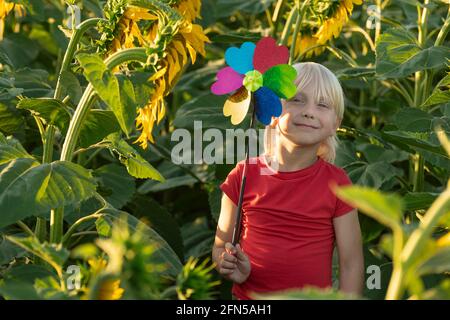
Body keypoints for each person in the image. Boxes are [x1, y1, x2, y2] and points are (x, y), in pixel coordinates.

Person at [211, 62, 364, 300]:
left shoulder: (338, 184)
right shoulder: (242, 176)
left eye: (322, 105)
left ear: (336, 124)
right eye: (297, 100)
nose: (309, 111)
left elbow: (351, 261)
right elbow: (220, 247)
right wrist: (228, 264)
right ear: (271, 111)